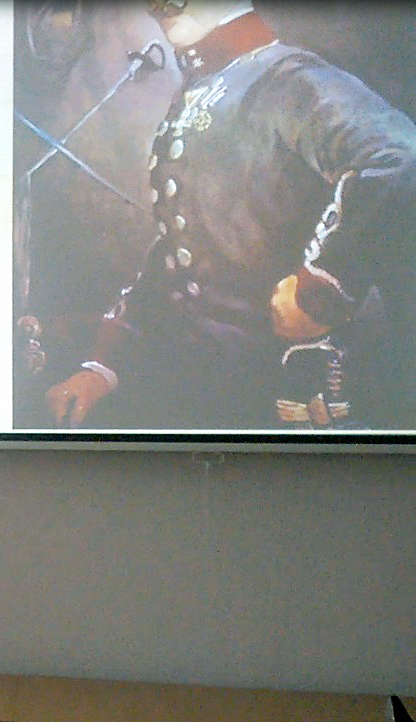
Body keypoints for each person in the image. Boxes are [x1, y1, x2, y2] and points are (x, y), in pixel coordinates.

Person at [45, 0, 416, 429]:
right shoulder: (201, 89)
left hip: (302, 398)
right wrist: (103, 365)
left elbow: (398, 157)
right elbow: (184, 250)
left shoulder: (288, 76)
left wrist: (322, 288)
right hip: (214, 395)